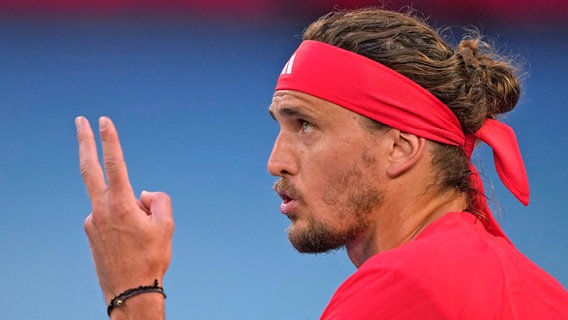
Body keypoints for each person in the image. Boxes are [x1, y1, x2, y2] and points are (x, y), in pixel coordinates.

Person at [75, 8, 568, 320]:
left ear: (400, 146)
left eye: (305, 125)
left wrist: (134, 293)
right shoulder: (543, 292)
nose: (275, 162)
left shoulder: (405, 287)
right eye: (280, 125)